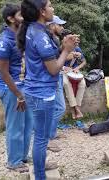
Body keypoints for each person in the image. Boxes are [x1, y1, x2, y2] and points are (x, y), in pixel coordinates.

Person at [17, 0, 77, 179]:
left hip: (36, 90)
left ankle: (40, 172)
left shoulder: (35, 30)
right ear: (42, 12)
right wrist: (66, 51)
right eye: (50, 6)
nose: (53, 9)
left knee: (40, 137)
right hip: (42, 93)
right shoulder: (40, 35)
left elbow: (46, 59)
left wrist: (64, 46)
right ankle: (40, 176)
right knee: (41, 139)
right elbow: (52, 69)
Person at [0, 3, 33, 173]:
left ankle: (23, 156)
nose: (24, 17)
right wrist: (19, 95)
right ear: (11, 18)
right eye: (21, 15)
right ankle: (14, 161)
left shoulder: (20, 37)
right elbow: (3, 72)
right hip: (11, 89)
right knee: (15, 126)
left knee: (27, 124)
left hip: (23, 87)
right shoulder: (3, 41)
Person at [46, 15, 67, 152]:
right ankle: (47, 136)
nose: (62, 27)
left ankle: (51, 134)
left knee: (56, 107)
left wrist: (65, 49)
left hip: (57, 75)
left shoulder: (55, 38)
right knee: (60, 107)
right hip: (52, 77)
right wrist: (65, 51)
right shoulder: (46, 39)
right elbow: (52, 62)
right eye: (59, 25)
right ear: (52, 26)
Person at [63, 37, 87, 119]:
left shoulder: (77, 49)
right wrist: (63, 67)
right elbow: (56, 61)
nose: (76, 44)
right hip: (64, 71)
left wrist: (77, 68)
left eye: (77, 43)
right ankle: (75, 109)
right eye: (75, 42)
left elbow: (84, 62)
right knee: (66, 83)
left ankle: (77, 108)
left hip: (75, 71)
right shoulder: (63, 48)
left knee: (83, 84)